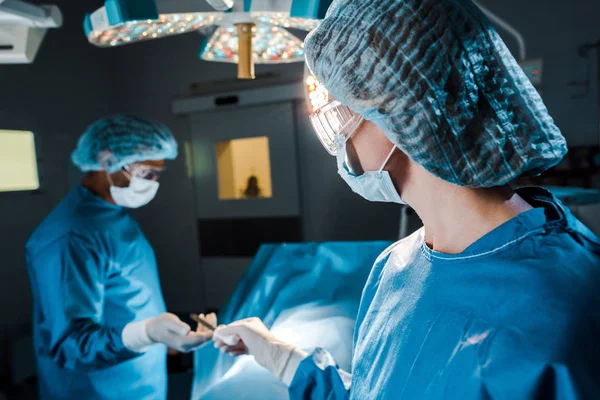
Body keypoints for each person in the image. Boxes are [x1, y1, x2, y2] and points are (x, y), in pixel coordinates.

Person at [212, 0, 600, 398]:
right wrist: (278, 356)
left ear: (401, 113)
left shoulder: (564, 310)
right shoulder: (396, 265)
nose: (338, 134)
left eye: (341, 106)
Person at [25, 115, 215, 400]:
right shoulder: (71, 238)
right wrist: (148, 334)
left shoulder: (112, 215)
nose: (153, 182)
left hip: (140, 380)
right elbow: (71, 345)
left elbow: (126, 296)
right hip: (98, 391)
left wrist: (166, 340)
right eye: (146, 172)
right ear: (107, 159)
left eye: (157, 174)